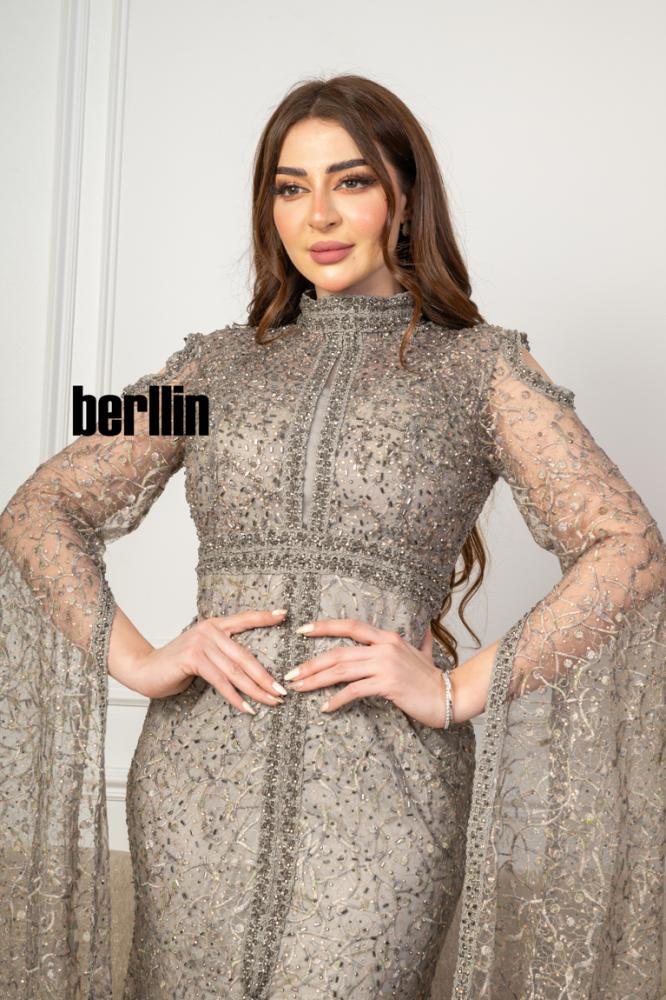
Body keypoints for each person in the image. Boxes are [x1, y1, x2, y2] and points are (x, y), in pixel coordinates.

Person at [1, 73, 664, 1000]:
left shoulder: (484, 369)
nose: (318, 214)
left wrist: (457, 689)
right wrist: (143, 661)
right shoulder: (210, 370)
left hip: (386, 797)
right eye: (290, 187)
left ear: (404, 199)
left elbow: (628, 546)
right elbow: (40, 507)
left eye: (350, 181)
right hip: (196, 789)